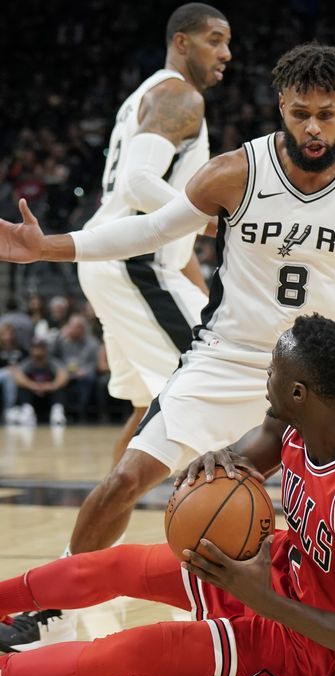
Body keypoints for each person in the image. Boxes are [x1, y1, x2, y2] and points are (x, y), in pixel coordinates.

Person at [1, 43, 335, 650]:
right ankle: (55, 614)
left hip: (329, 363)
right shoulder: (237, 171)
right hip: (228, 355)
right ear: (282, 104)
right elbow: (151, 229)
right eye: (301, 111)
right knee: (124, 480)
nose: (313, 126)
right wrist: (50, 246)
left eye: (326, 114)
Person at [0, 315, 335, 676]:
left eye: (272, 371)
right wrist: (216, 461)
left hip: (314, 648)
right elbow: (242, 458)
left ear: (298, 391)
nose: (266, 378)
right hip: (277, 569)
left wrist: (265, 602)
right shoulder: (302, 414)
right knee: (110, 566)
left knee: (134, 649)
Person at [76, 2, 231, 462]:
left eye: (228, 44)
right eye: (215, 41)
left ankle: (94, 530)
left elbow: (168, 233)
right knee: (215, 384)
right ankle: (234, 525)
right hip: (134, 265)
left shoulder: (146, 96)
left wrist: (205, 299)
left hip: (121, 263)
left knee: (148, 405)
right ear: (181, 43)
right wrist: (214, 223)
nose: (226, 54)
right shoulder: (180, 96)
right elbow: (138, 184)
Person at [11, 338, 68, 426]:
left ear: (46, 349)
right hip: (33, 396)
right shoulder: (27, 362)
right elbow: (18, 377)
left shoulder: (53, 362)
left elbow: (63, 376)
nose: (38, 351)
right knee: (22, 387)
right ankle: (27, 411)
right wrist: (32, 385)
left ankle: (57, 413)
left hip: (49, 396)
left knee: (60, 388)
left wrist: (52, 386)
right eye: (35, 348)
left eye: (40, 348)